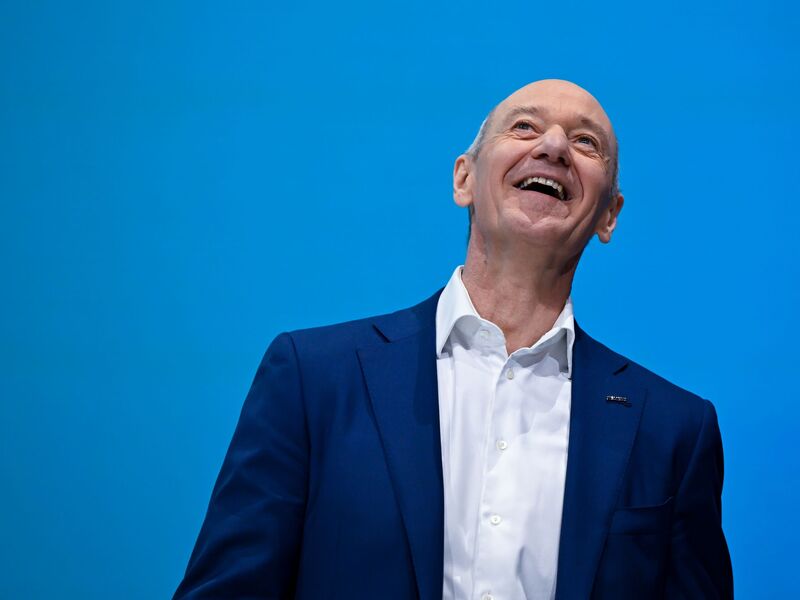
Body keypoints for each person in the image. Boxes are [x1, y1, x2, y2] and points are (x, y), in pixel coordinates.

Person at [174, 79, 733, 599]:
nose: (554, 146)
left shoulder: (673, 430)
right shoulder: (313, 378)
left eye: (586, 142)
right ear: (464, 179)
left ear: (609, 215)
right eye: (524, 127)